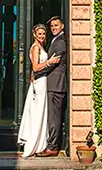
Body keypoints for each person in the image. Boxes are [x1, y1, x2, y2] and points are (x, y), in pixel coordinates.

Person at [16, 24, 58, 157]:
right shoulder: (35, 48)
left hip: (42, 82)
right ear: (34, 34)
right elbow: (35, 67)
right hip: (39, 84)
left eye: (43, 34)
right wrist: (50, 62)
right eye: (39, 34)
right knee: (38, 113)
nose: (42, 36)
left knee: (41, 113)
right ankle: (34, 144)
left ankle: (41, 144)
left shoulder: (41, 47)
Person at [31, 16, 67, 157]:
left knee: (54, 117)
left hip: (56, 84)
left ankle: (52, 147)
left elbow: (54, 63)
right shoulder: (54, 40)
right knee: (50, 116)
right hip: (51, 83)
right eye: (52, 26)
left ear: (62, 26)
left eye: (56, 25)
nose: (53, 28)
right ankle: (48, 143)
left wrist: (37, 72)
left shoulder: (60, 43)